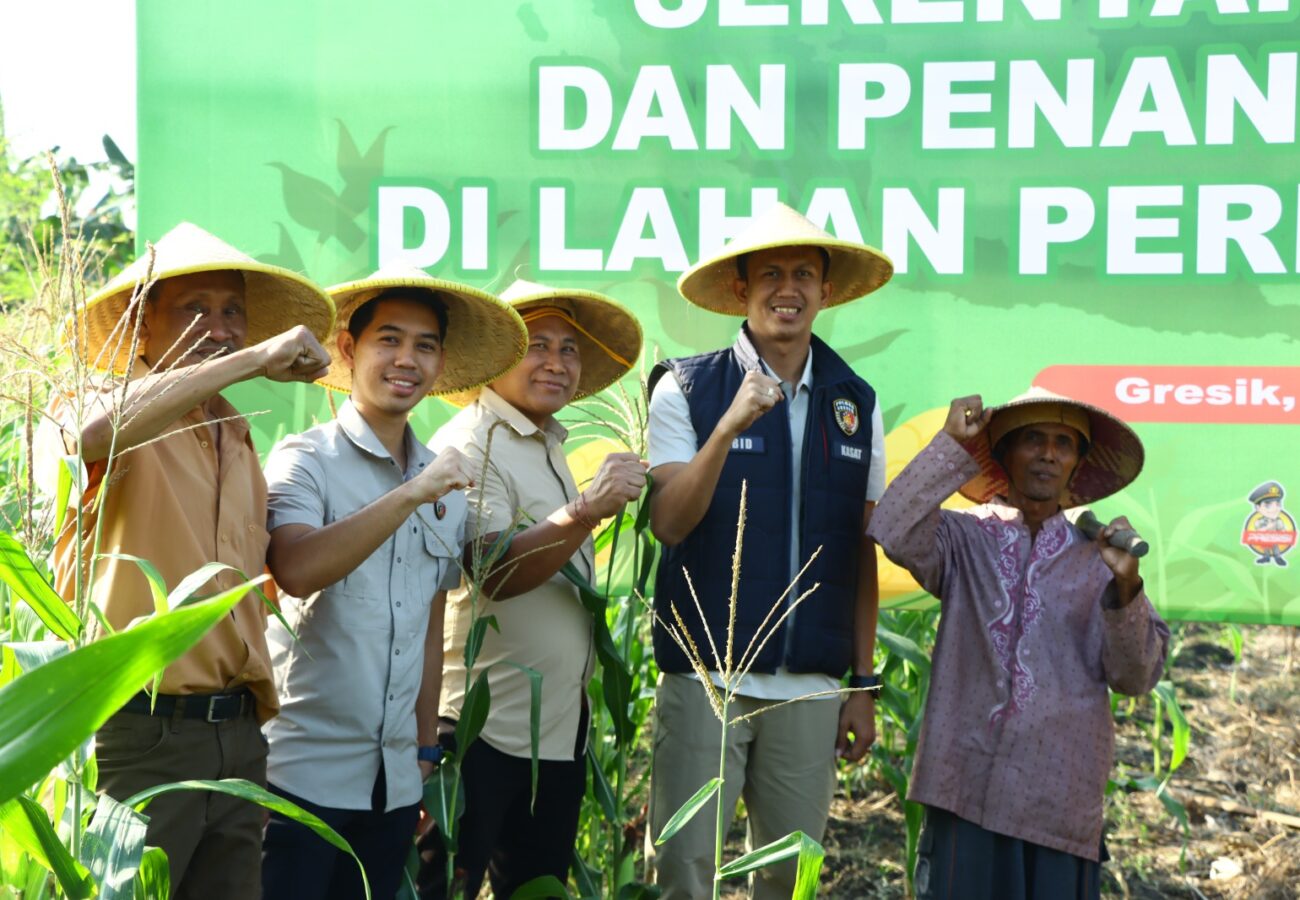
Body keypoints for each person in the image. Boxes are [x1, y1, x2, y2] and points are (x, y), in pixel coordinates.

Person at [37, 222, 335, 896]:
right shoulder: (90, 403)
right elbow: (89, 438)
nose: (220, 326)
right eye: (194, 308)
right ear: (140, 326)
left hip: (234, 737)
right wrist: (251, 360)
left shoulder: (238, 434)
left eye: (233, 312)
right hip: (137, 732)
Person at [645, 202, 894, 899]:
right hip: (707, 678)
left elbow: (859, 550)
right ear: (740, 289)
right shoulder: (687, 388)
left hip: (809, 690)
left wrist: (862, 684)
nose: (789, 289)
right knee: (684, 875)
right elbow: (668, 521)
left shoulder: (855, 400)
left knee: (788, 882)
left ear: (827, 290)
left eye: (805, 275)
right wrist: (726, 428)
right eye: (771, 274)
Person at [258, 266, 526, 900]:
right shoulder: (305, 459)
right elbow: (293, 570)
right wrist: (411, 495)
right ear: (350, 350)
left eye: (425, 345)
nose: (407, 359)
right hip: (299, 778)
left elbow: (430, 622)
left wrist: (423, 753)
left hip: (394, 785)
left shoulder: (444, 478)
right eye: (389, 340)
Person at [867, 387, 1170, 900]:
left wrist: (1125, 587)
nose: (1048, 453)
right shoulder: (964, 540)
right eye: (1032, 439)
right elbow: (892, 528)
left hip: (1059, 804)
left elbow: (1135, 677)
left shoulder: (1099, 558)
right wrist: (950, 442)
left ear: (1077, 463)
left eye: (1063, 443)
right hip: (964, 788)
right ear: (1002, 455)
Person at [421, 279, 645, 899]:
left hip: (553, 737)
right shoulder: (473, 442)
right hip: (476, 733)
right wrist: (585, 510)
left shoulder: (545, 445)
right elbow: (490, 570)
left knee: (537, 889)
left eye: (568, 349)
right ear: (497, 357)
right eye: (536, 345)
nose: (556, 361)